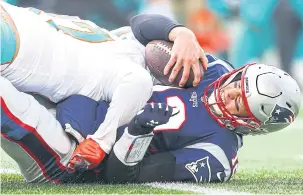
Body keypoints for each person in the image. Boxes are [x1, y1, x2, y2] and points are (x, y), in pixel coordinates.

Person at [0, 1, 206, 171]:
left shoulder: (125, 44)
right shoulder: (131, 56)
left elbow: (141, 28)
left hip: (16, 25)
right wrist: (102, 141)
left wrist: (180, 34)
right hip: (19, 47)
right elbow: (138, 79)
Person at [57, 56, 301, 183]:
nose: (228, 92)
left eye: (238, 103)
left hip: (77, 148)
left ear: (251, 125)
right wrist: (178, 32)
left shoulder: (217, 154)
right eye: (238, 83)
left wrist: (137, 131)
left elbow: (118, 178)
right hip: (88, 91)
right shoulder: (216, 69)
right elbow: (142, 26)